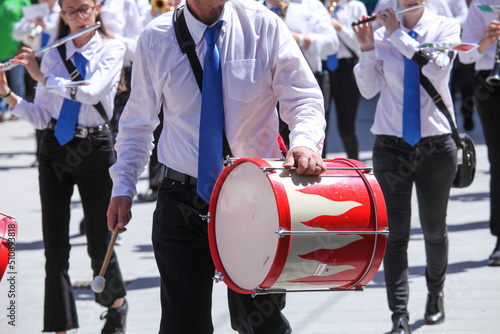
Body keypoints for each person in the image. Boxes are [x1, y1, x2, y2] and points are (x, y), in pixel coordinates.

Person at [107, 0, 326, 333]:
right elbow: (138, 123)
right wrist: (123, 185)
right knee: (182, 323)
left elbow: (304, 97)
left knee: (261, 323)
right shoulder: (156, 37)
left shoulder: (262, 25)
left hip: (255, 199)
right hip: (181, 197)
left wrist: (305, 142)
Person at [0, 0, 128, 332]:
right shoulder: (53, 53)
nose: (78, 17)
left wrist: (42, 77)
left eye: (83, 9)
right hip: (55, 148)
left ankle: (115, 305)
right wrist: (10, 97)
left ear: (97, 8)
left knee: (100, 242)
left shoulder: (112, 49)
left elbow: (92, 92)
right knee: (54, 246)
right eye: (70, 12)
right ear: (62, 13)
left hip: (96, 147)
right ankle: (59, 326)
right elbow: (43, 116)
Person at [353, 1, 460, 333]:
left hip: (434, 143)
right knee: (394, 234)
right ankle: (398, 314)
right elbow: (369, 90)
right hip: (391, 144)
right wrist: (368, 48)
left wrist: (396, 33)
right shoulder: (383, 34)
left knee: (433, 229)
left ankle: (434, 292)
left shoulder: (445, 28)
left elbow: (436, 68)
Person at [260, 0, 338, 151]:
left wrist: (300, 39)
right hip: (264, 88)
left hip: (305, 84)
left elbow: (332, 43)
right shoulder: (253, 9)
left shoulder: (310, 5)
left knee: (311, 143)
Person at [459, 0, 500, 266]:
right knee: (498, 161)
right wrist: (487, 41)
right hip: (490, 86)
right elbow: (465, 54)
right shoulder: (482, 6)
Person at [323, 0, 367, 159]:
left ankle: (356, 170)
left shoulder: (356, 7)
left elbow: (358, 43)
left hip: (346, 68)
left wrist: (337, 26)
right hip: (322, 68)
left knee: (347, 128)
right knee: (320, 129)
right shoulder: (315, 6)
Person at [0, 0, 31, 122]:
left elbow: (30, 24)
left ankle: (17, 110)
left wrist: (23, 46)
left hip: (15, 52)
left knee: (17, 82)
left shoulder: (23, 1)